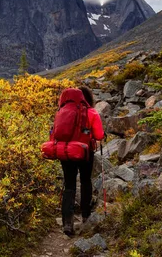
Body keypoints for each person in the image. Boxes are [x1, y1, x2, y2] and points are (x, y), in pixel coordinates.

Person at [60, 86, 105, 236]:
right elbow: (99, 135)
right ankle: (86, 215)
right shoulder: (91, 112)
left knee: (69, 184)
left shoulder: (63, 110)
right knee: (85, 180)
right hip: (84, 151)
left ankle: (67, 222)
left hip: (65, 151)